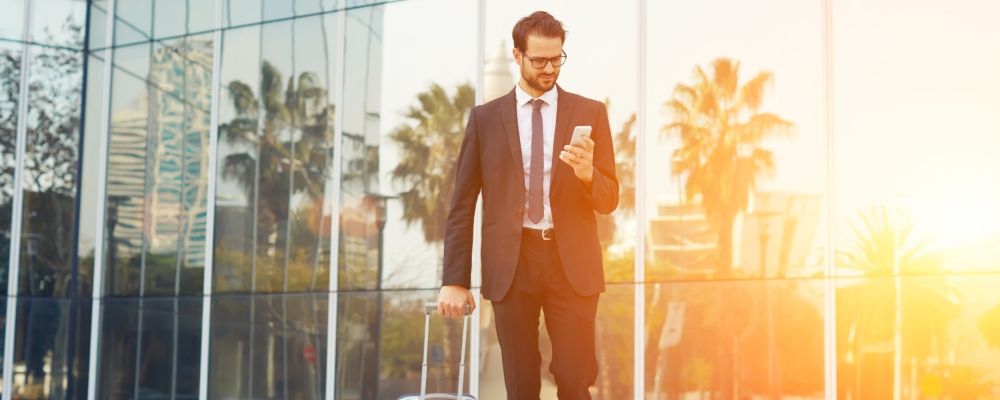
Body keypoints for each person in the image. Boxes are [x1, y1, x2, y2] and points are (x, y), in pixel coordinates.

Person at [437, 11, 619, 399]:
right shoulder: (484, 120)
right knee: (521, 385)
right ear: (517, 57)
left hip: (571, 264)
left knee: (575, 377)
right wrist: (454, 279)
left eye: (557, 58)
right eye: (539, 60)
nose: (550, 68)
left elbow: (609, 199)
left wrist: (588, 175)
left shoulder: (590, 113)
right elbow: (462, 204)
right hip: (512, 265)